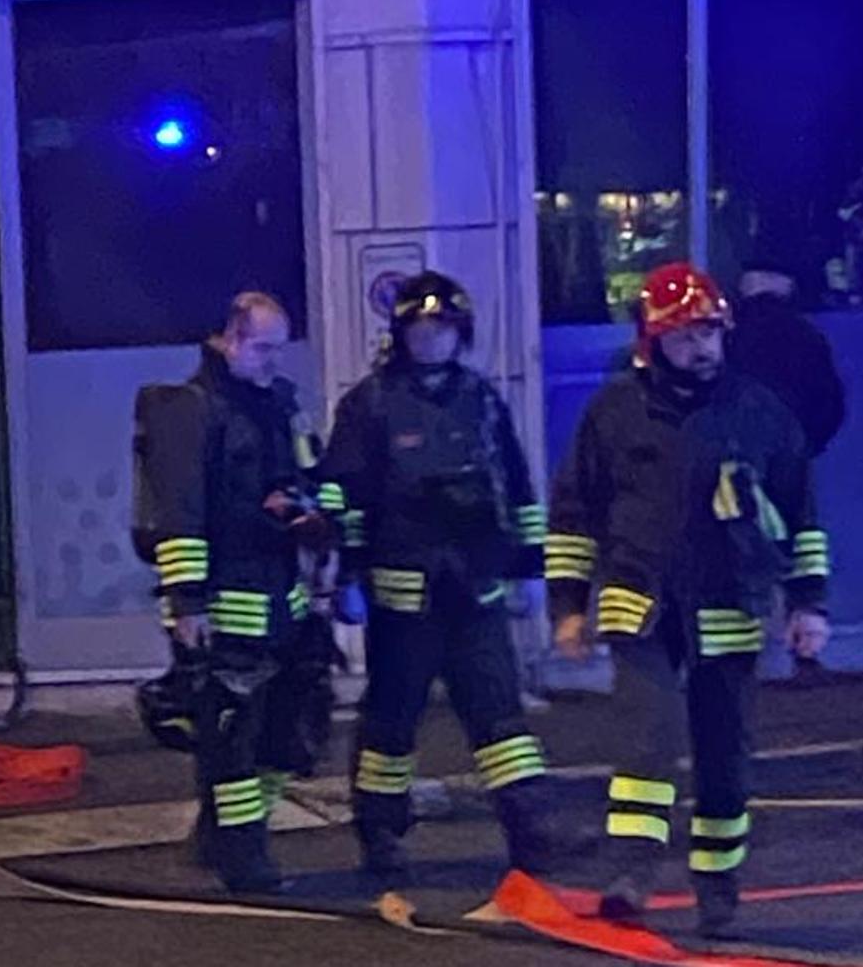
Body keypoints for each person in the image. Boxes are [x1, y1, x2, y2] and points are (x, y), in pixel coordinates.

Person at [547, 262, 833, 936]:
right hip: (640, 601)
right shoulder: (615, 411)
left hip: (728, 603)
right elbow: (574, 512)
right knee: (648, 739)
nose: (700, 347)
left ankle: (718, 884)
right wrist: (568, 606)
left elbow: (801, 517)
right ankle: (630, 874)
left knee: (723, 754)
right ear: (653, 342)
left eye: (708, 332)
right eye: (684, 336)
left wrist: (809, 604)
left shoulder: (759, 413)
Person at [315, 271, 558, 883]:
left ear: (460, 333)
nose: (431, 339)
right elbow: (341, 494)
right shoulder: (370, 404)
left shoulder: (481, 399)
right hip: (404, 600)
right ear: (401, 335)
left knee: (500, 718)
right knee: (392, 722)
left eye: (443, 329)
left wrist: (530, 568)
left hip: (477, 589)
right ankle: (381, 834)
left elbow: (518, 487)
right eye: (420, 329)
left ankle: (532, 830)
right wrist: (347, 575)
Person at [131, 292, 335, 893]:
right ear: (229, 339)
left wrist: (313, 516)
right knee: (231, 736)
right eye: (263, 348)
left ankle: (216, 838)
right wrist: (187, 602)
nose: (274, 360)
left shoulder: (280, 404)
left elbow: (313, 476)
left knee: (289, 729)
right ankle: (245, 857)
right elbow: (180, 511)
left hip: (282, 592)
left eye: (279, 348)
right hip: (223, 598)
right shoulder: (191, 410)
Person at [728, 256, 846, 459]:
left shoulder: (726, 332)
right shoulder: (807, 335)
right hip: (793, 452)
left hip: (734, 451)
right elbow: (830, 402)